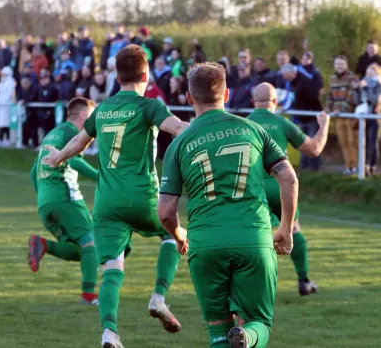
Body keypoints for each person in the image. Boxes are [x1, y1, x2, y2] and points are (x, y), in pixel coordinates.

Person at [42, 45, 190, 348]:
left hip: (107, 204)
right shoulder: (149, 105)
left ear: (116, 75)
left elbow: (78, 144)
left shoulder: (104, 109)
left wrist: (58, 158)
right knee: (172, 236)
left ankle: (109, 332)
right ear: (146, 74)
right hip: (142, 197)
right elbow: (178, 128)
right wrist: (209, 127)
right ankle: (159, 297)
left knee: (113, 266)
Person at [157, 63, 298, 348]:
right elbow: (289, 178)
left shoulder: (179, 143)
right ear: (228, 94)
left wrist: (178, 235)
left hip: (206, 244)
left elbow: (166, 211)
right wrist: (285, 228)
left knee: (218, 334)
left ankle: (231, 337)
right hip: (253, 240)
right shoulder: (254, 130)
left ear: (188, 97)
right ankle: (248, 336)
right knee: (259, 322)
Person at [248, 81, 328, 295]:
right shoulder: (280, 123)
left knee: (253, 236)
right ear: (275, 101)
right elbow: (314, 149)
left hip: (252, 188)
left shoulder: (244, 123)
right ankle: (303, 280)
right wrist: (324, 125)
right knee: (293, 228)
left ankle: (253, 287)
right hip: (279, 185)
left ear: (253, 101)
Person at [27, 97, 100, 305]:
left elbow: (34, 172)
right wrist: (101, 176)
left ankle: (42, 245)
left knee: (80, 250)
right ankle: (88, 295)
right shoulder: (71, 133)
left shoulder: (52, 134)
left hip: (45, 203)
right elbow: (74, 160)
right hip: (64, 196)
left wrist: (44, 197)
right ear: (84, 116)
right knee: (92, 243)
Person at [325, 55, 359, 175]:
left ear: (346, 65)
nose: (339, 66)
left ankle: (355, 167)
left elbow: (352, 96)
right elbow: (329, 95)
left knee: (352, 142)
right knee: (343, 142)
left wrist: (342, 109)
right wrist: (327, 107)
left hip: (350, 115)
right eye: (337, 64)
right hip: (337, 116)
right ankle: (348, 166)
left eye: (342, 64)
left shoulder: (352, 77)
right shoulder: (333, 78)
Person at [361, 63, 381, 176]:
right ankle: (363, 166)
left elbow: (376, 100)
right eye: (369, 68)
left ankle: (371, 166)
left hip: (374, 117)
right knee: (363, 143)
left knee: (372, 143)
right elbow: (359, 98)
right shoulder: (363, 82)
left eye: (373, 69)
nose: (370, 71)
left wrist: (366, 88)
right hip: (363, 117)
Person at [0, 66, 16, 147]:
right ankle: (0, 138)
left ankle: (6, 139)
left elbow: (10, 94)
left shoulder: (11, 82)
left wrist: (4, 102)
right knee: (0, 123)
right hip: (0, 106)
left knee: (6, 123)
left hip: (7, 105)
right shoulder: (1, 83)